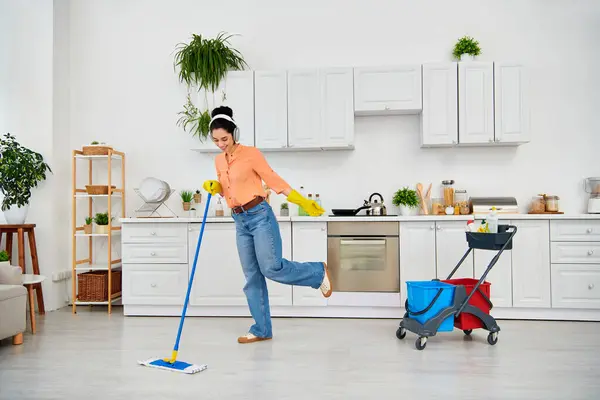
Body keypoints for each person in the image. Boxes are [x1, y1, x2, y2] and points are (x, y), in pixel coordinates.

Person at [202, 106, 332, 344]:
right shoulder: (218, 160)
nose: (220, 144)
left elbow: (273, 180)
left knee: (271, 268)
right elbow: (227, 186)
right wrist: (215, 186)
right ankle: (261, 329)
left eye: (224, 138)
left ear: (234, 134)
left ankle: (317, 272)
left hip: (259, 215)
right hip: (239, 220)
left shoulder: (251, 154)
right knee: (252, 276)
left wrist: (302, 201)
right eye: (216, 140)